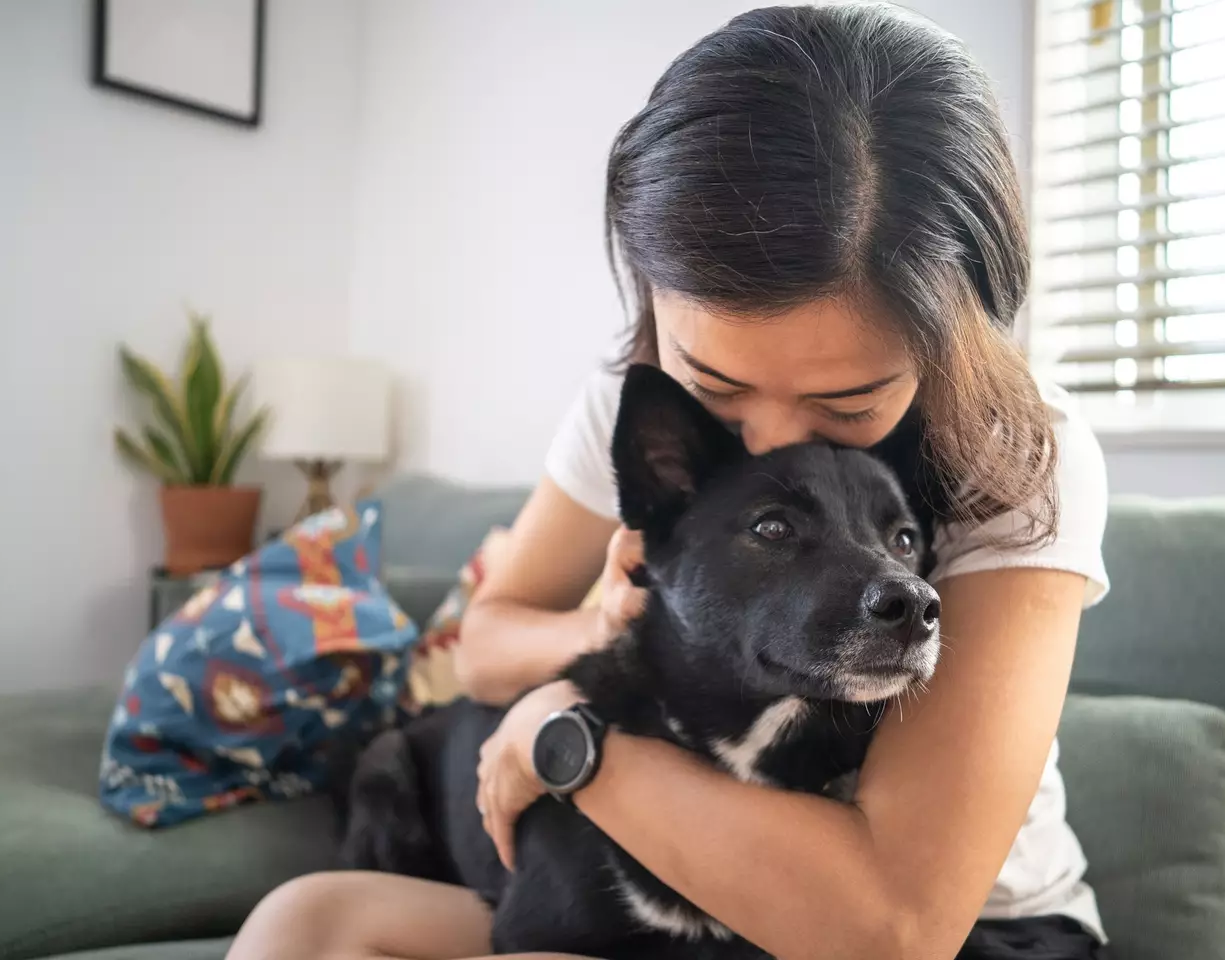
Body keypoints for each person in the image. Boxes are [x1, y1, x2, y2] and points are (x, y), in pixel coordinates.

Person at [227, 5, 1111, 959]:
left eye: (849, 405)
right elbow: (486, 643)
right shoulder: (640, 402)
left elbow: (892, 929)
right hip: (677, 880)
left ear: (956, 336)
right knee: (305, 923)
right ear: (652, 297)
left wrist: (560, 737)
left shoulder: (1018, 451)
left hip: (957, 925)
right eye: (719, 387)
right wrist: (592, 627)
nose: (770, 441)